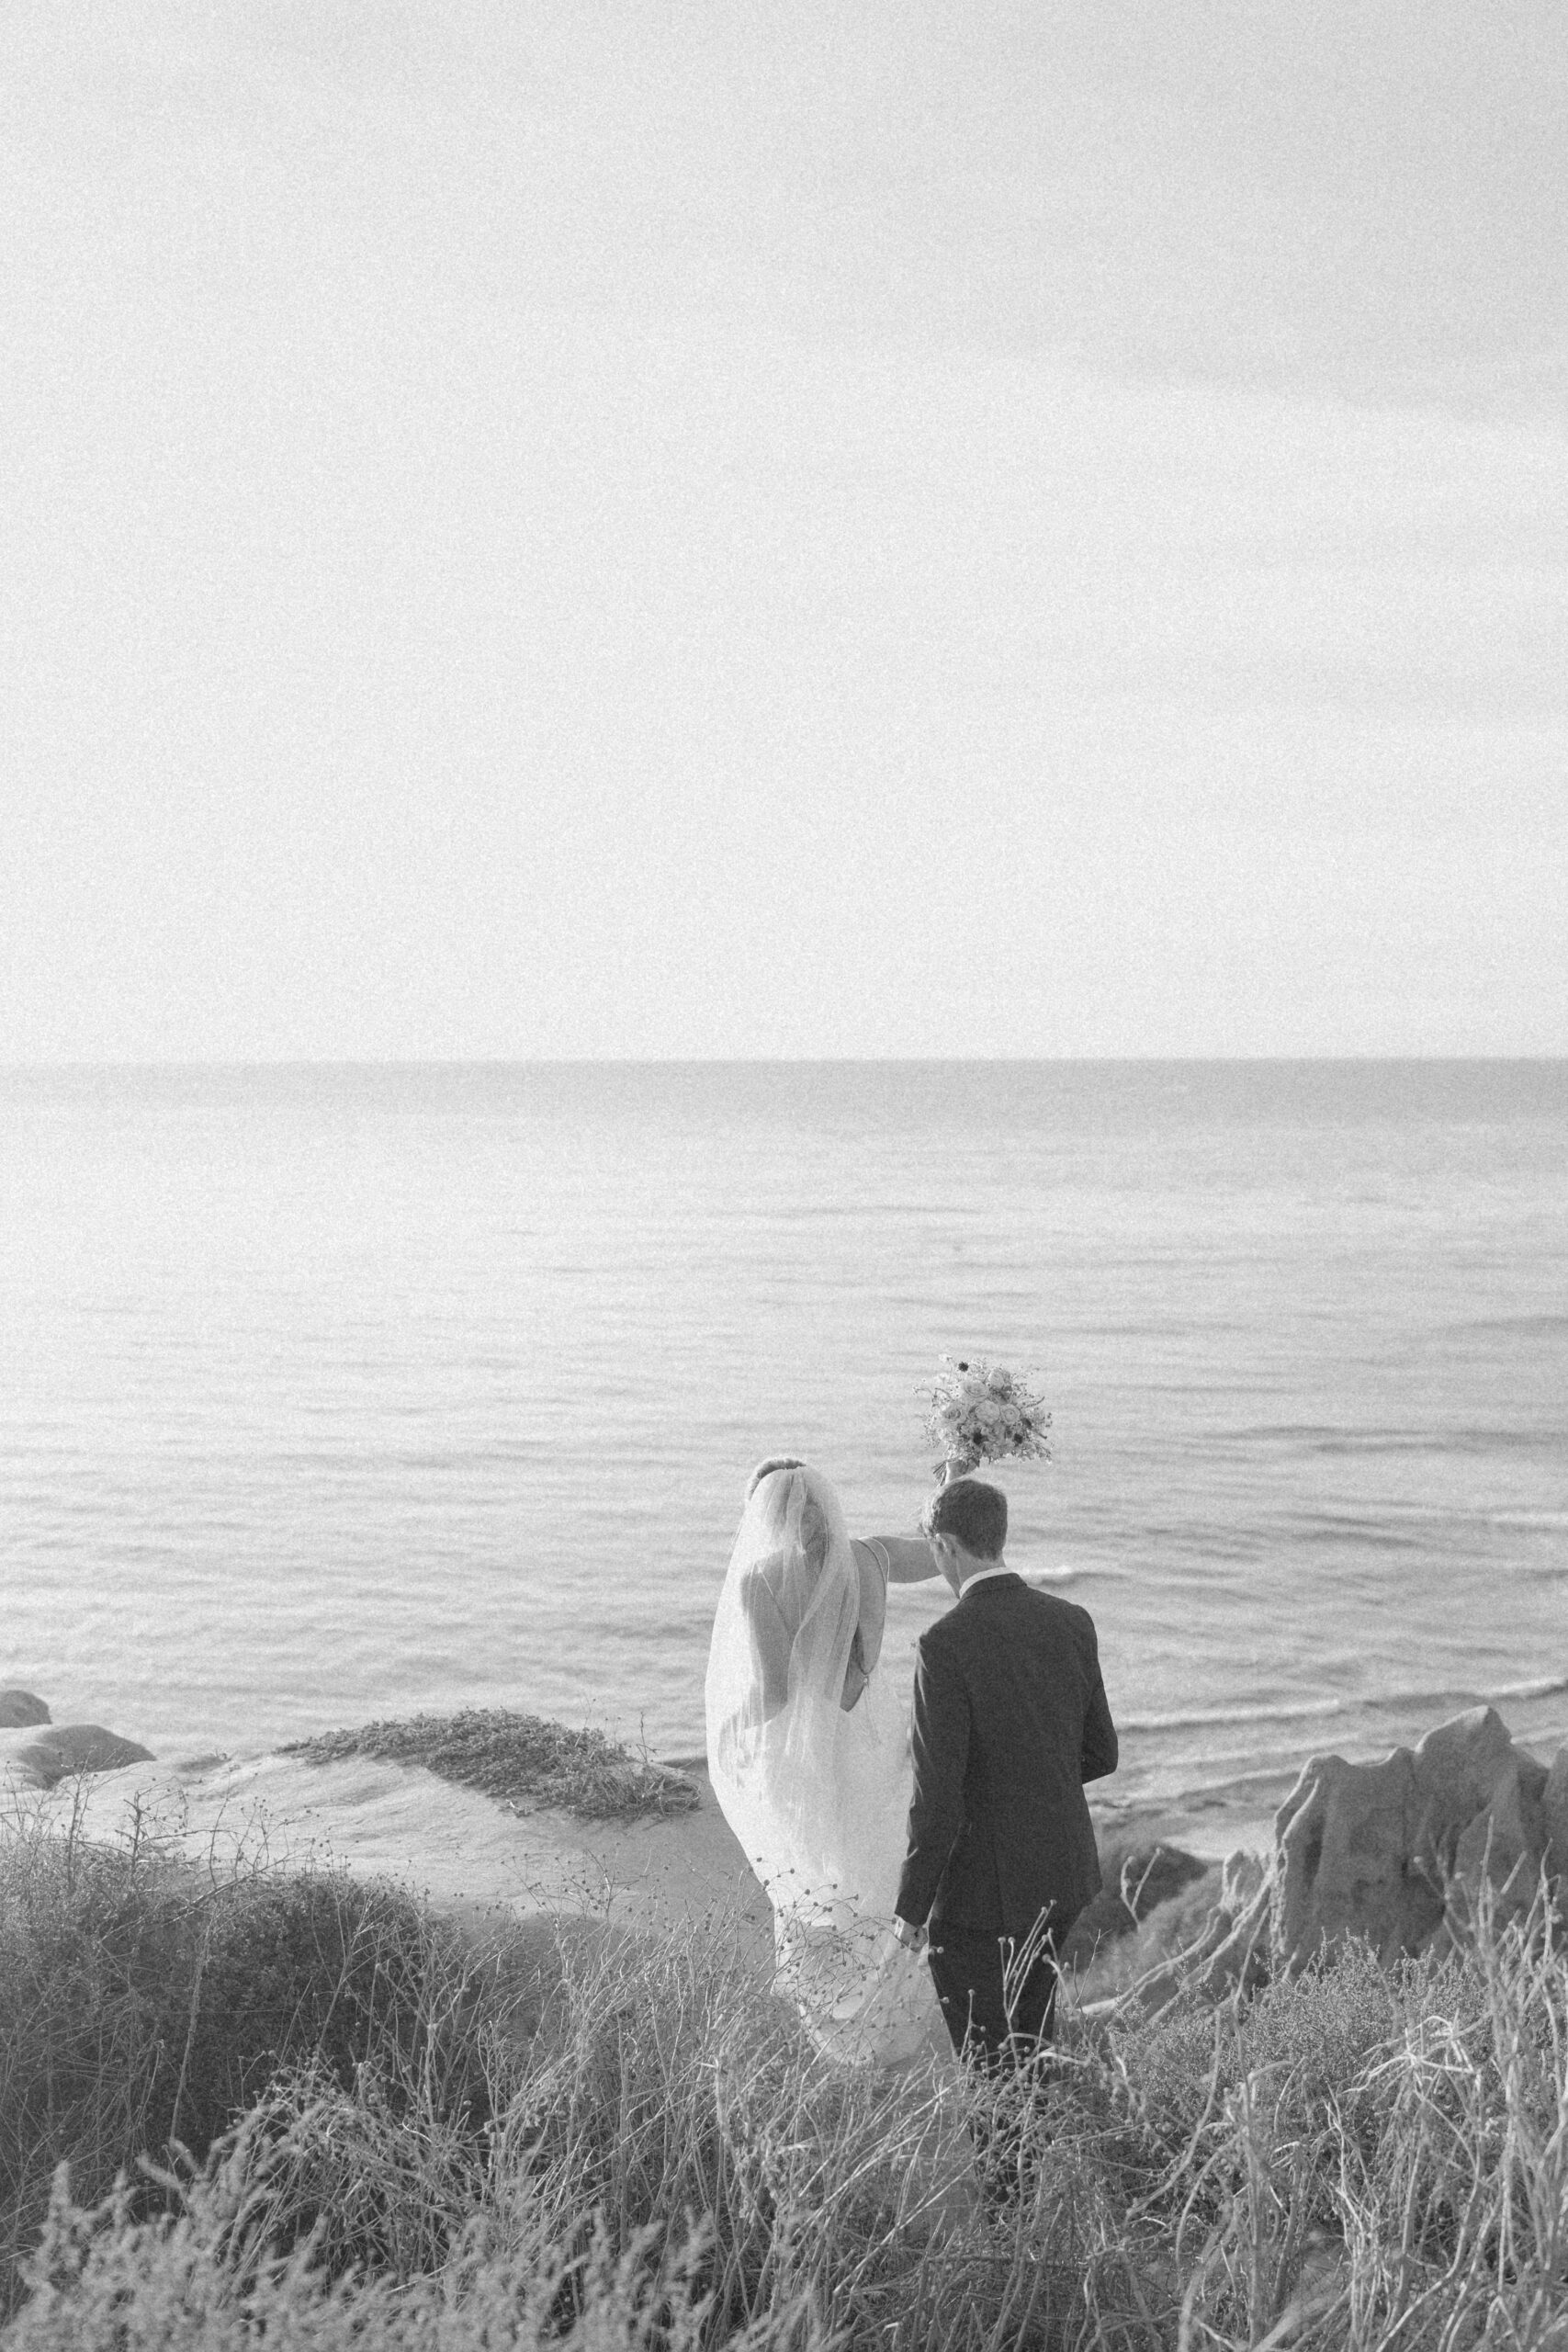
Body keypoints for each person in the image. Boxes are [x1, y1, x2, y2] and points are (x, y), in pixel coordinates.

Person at [891, 1475, 1117, 2188]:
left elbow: (939, 1800)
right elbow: (1099, 1754)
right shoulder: (1069, 1619)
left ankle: (1008, 2220)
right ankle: (1034, 2197)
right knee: (1029, 2047)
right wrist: (1030, 1790)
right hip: (1061, 1875)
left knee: (989, 2068)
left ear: (947, 1547)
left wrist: (908, 1911)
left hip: (979, 1897)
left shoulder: (943, 1644)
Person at [705, 1456, 943, 2064]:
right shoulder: (869, 1558)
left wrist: (732, 1725)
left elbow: (776, 1693)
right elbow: (939, 1548)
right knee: (881, 1872)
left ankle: (838, 2034)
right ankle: (898, 2024)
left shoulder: (760, 1581)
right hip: (873, 1733)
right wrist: (950, 1479)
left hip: (811, 1755)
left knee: (815, 1883)